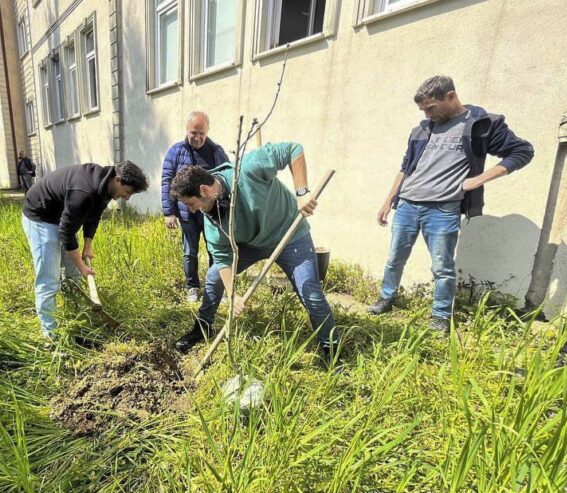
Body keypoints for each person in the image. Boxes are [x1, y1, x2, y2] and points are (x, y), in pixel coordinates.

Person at [367, 75, 534, 332]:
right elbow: (405, 169)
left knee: (442, 267)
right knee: (394, 258)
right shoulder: (421, 130)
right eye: (423, 110)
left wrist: (478, 180)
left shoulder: (482, 124)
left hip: (443, 208)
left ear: (451, 96)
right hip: (408, 204)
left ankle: (441, 316)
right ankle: (386, 297)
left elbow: (522, 151)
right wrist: (388, 201)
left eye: (431, 108)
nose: (427, 114)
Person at [170, 142, 337, 355]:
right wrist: (233, 296)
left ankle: (331, 350)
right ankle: (202, 327)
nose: (192, 211)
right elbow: (222, 259)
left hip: (290, 236)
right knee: (214, 277)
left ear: (205, 190)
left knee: (311, 293)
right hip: (253, 243)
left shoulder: (248, 169)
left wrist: (302, 192)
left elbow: (292, 149)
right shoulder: (212, 220)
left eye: (191, 204)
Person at [21, 161, 148, 341]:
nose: (126, 198)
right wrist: (82, 266)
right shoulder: (84, 191)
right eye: (127, 192)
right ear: (118, 180)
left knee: (73, 274)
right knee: (49, 279)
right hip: (40, 217)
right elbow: (67, 232)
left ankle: (72, 311)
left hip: (61, 215)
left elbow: (94, 216)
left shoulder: (105, 186)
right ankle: (51, 336)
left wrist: (87, 246)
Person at [162, 111, 230, 303]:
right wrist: (169, 212)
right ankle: (192, 287)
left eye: (202, 133)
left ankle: (216, 287)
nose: (198, 137)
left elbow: (227, 176)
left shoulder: (217, 151)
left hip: (211, 213)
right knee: (190, 251)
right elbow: (167, 181)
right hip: (187, 214)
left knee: (214, 250)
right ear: (187, 130)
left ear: (207, 131)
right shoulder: (175, 152)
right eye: (194, 133)